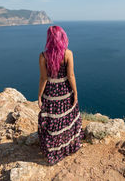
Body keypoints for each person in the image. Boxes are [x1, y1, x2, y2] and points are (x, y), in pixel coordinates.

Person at [37, 25, 85, 165]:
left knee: (53, 122)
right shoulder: (68, 54)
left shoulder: (43, 56)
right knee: (67, 119)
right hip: (65, 92)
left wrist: (39, 96)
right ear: (62, 37)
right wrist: (75, 92)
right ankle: (68, 147)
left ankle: (53, 151)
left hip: (50, 94)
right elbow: (70, 75)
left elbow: (43, 78)